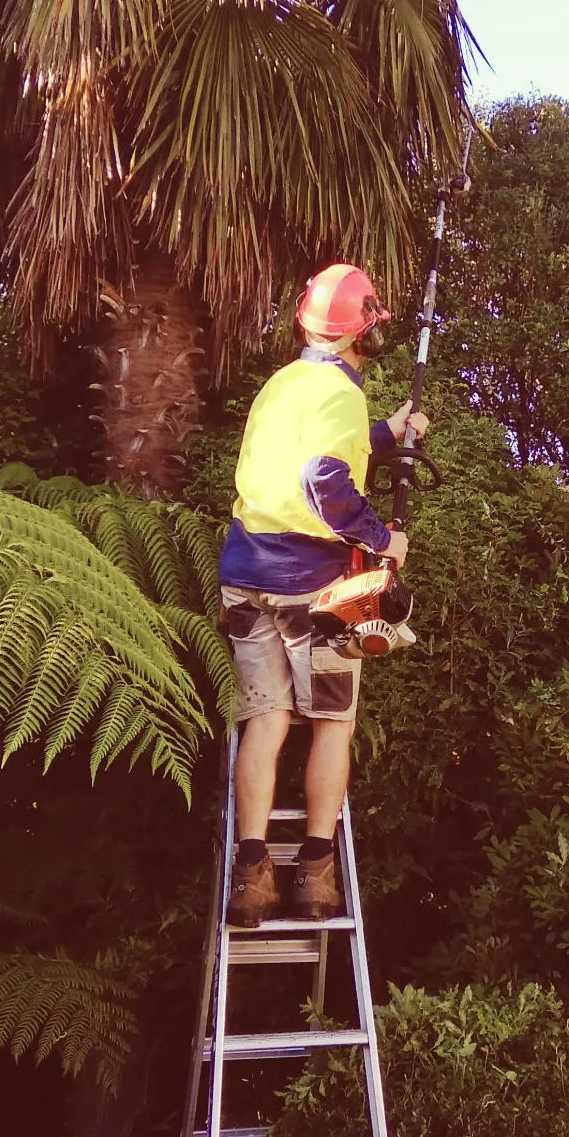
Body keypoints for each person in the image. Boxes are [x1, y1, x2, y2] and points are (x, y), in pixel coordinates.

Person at [218, 263, 430, 928]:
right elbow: (323, 480)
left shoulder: (284, 385)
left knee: (268, 720)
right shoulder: (341, 392)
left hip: (246, 577)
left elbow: (302, 455)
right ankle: (314, 870)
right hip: (314, 588)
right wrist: (380, 540)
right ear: (362, 331)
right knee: (333, 722)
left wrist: (387, 436)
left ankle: (252, 874)